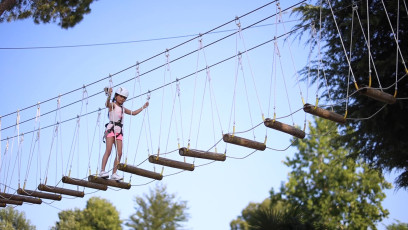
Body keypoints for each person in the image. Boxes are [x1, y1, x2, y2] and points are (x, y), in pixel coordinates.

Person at [99, 87, 149, 180]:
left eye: (124, 98)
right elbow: (107, 104)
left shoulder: (123, 108)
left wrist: (143, 107)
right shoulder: (113, 105)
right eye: (121, 96)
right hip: (111, 130)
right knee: (108, 150)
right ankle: (102, 170)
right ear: (116, 96)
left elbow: (133, 113)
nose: (122, 99)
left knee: (120, 153)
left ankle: (114, 173)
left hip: (119, 132)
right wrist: (109, 95)